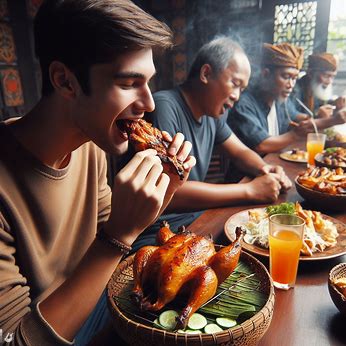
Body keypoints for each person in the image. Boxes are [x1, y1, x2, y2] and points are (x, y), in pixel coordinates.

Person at [0, 1, 196, 345]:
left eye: (148, 82)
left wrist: (163, 194)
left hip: (96, 314)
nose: (150, 104)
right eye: (129, 82)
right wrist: (118, 235)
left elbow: (109, 246)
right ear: (65, 81)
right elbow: (15, 340)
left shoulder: (91, 144)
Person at [129, 37, 292, 249]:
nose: (236, 97)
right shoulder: (165, 105)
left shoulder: (211, 116)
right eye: (235, 84)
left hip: (193, 223)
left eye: (242, 89)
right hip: (158, 233)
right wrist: (249, 190)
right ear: (206, 73)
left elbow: (241, 151)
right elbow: (169, 191)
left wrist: (265, 168)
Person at [228, 43, 345, 155]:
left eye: (294, 78)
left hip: (274, 164)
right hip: (249, 173)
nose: (291, 84)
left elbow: (303, 119)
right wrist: (295, 134)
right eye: (286, 77)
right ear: (266, 74)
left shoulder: (280, 101)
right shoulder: (245, 104)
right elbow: (262, 145)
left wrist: (333, 118)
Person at [293, 52, 346, 118]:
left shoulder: (314, 88)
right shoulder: (294, 90)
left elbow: (321, 103)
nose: (329, 81)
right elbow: (293, 118)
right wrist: (318, 117)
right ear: (310, 74)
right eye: (326, 76)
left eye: (332, 77)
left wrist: (336, 102)